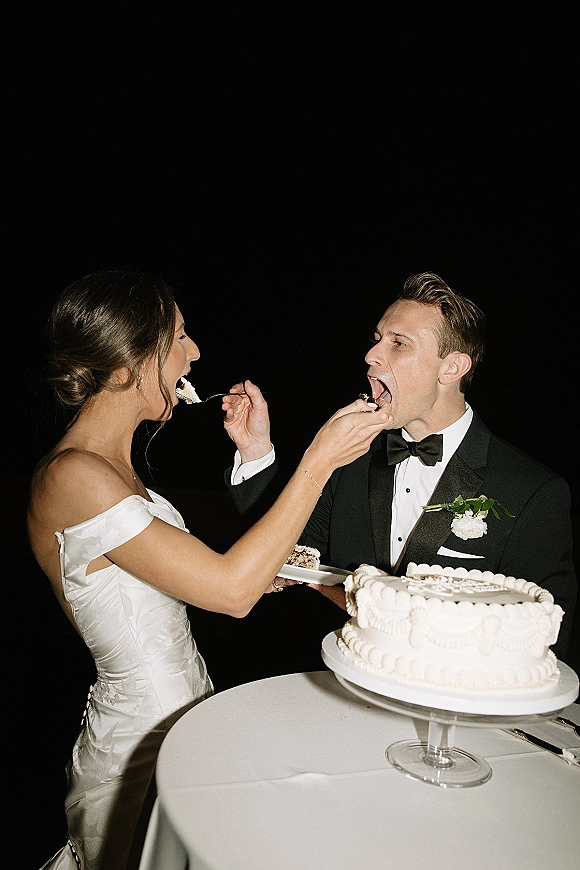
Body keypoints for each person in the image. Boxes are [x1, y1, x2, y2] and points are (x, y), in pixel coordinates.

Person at [28, 268, 393, 870]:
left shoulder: (111, 468)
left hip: (184, 717)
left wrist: (260, 469)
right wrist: (319, 460)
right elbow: (230, 593)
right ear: (133, 357)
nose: (194, 353)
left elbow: (204, 578)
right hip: (134, 747)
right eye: (178, 338)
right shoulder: (74, 475)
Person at [222, 271, 577, 661]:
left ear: (452, 368)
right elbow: (286, 549)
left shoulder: (533, 492)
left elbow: (545, 638)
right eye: (378, 339)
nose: (372, 355)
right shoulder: (350, 458)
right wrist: (256, 450)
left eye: (399, 344)